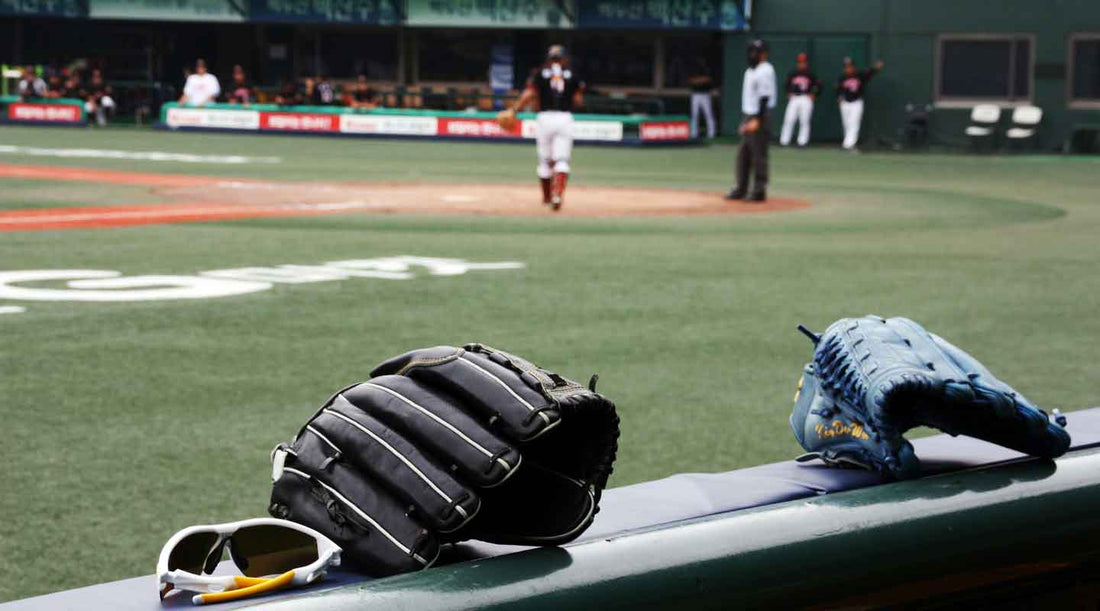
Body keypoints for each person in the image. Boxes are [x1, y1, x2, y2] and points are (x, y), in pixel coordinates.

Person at [505, 44, 585, 212]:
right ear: (564, 59)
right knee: (561, 160)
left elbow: (530, 94)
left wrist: (514, 110)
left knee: (545, 161)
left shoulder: (540, 73)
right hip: (564, 118)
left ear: (549, 59)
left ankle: (547, 197)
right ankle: (558, 195)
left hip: (545, 118)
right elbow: (578, 101)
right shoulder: (573, 75)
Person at [726, 39, 776, 203]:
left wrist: (758, 120)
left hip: (760, 115)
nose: (752, 54)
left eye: (756, 52)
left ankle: (759, 190)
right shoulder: (750, 71)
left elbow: (764, 98)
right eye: (751, 51)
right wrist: (745, 121)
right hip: (749, 114)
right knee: (743, 154)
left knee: (758, 154)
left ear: (764, 54)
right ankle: (741, 188)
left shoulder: (765, 70)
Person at [836, 58, 884, 151]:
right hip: (845, 103)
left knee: (854, 123)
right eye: (846, 67)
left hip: (856, 102)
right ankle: (848, 143)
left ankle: (849, 144)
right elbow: (838, 89)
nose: (848, 68)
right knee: (846, 124)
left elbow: (870, 73)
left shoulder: (859, 75)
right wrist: (839, 96)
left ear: (853, 67)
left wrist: (876, 68)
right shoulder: (842, 77)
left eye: (850, 66)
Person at [780, 52, 822, 147]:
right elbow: (786, 85)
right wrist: (788, 92)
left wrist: (814, 94)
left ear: (806, 63)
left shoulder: (811, 74)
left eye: (803, 62)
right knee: (789, 119)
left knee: (804, 120)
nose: (801, 64)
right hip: (794, 98)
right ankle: (784, 141)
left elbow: (819, 85)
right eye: (800, 62)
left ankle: (802, 142)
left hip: (806, 98)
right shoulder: (793, 73)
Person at [688, 58, 716, 139]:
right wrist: (700, 80)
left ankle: (711, 134)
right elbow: (691, 80)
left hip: (705, 94)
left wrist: (699, 81)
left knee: (708, 114)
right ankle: (694, 134)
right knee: (695, 115)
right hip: (695, 94)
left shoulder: (707, 69)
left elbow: (708, 80)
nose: (701, 62)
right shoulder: (693, 69)